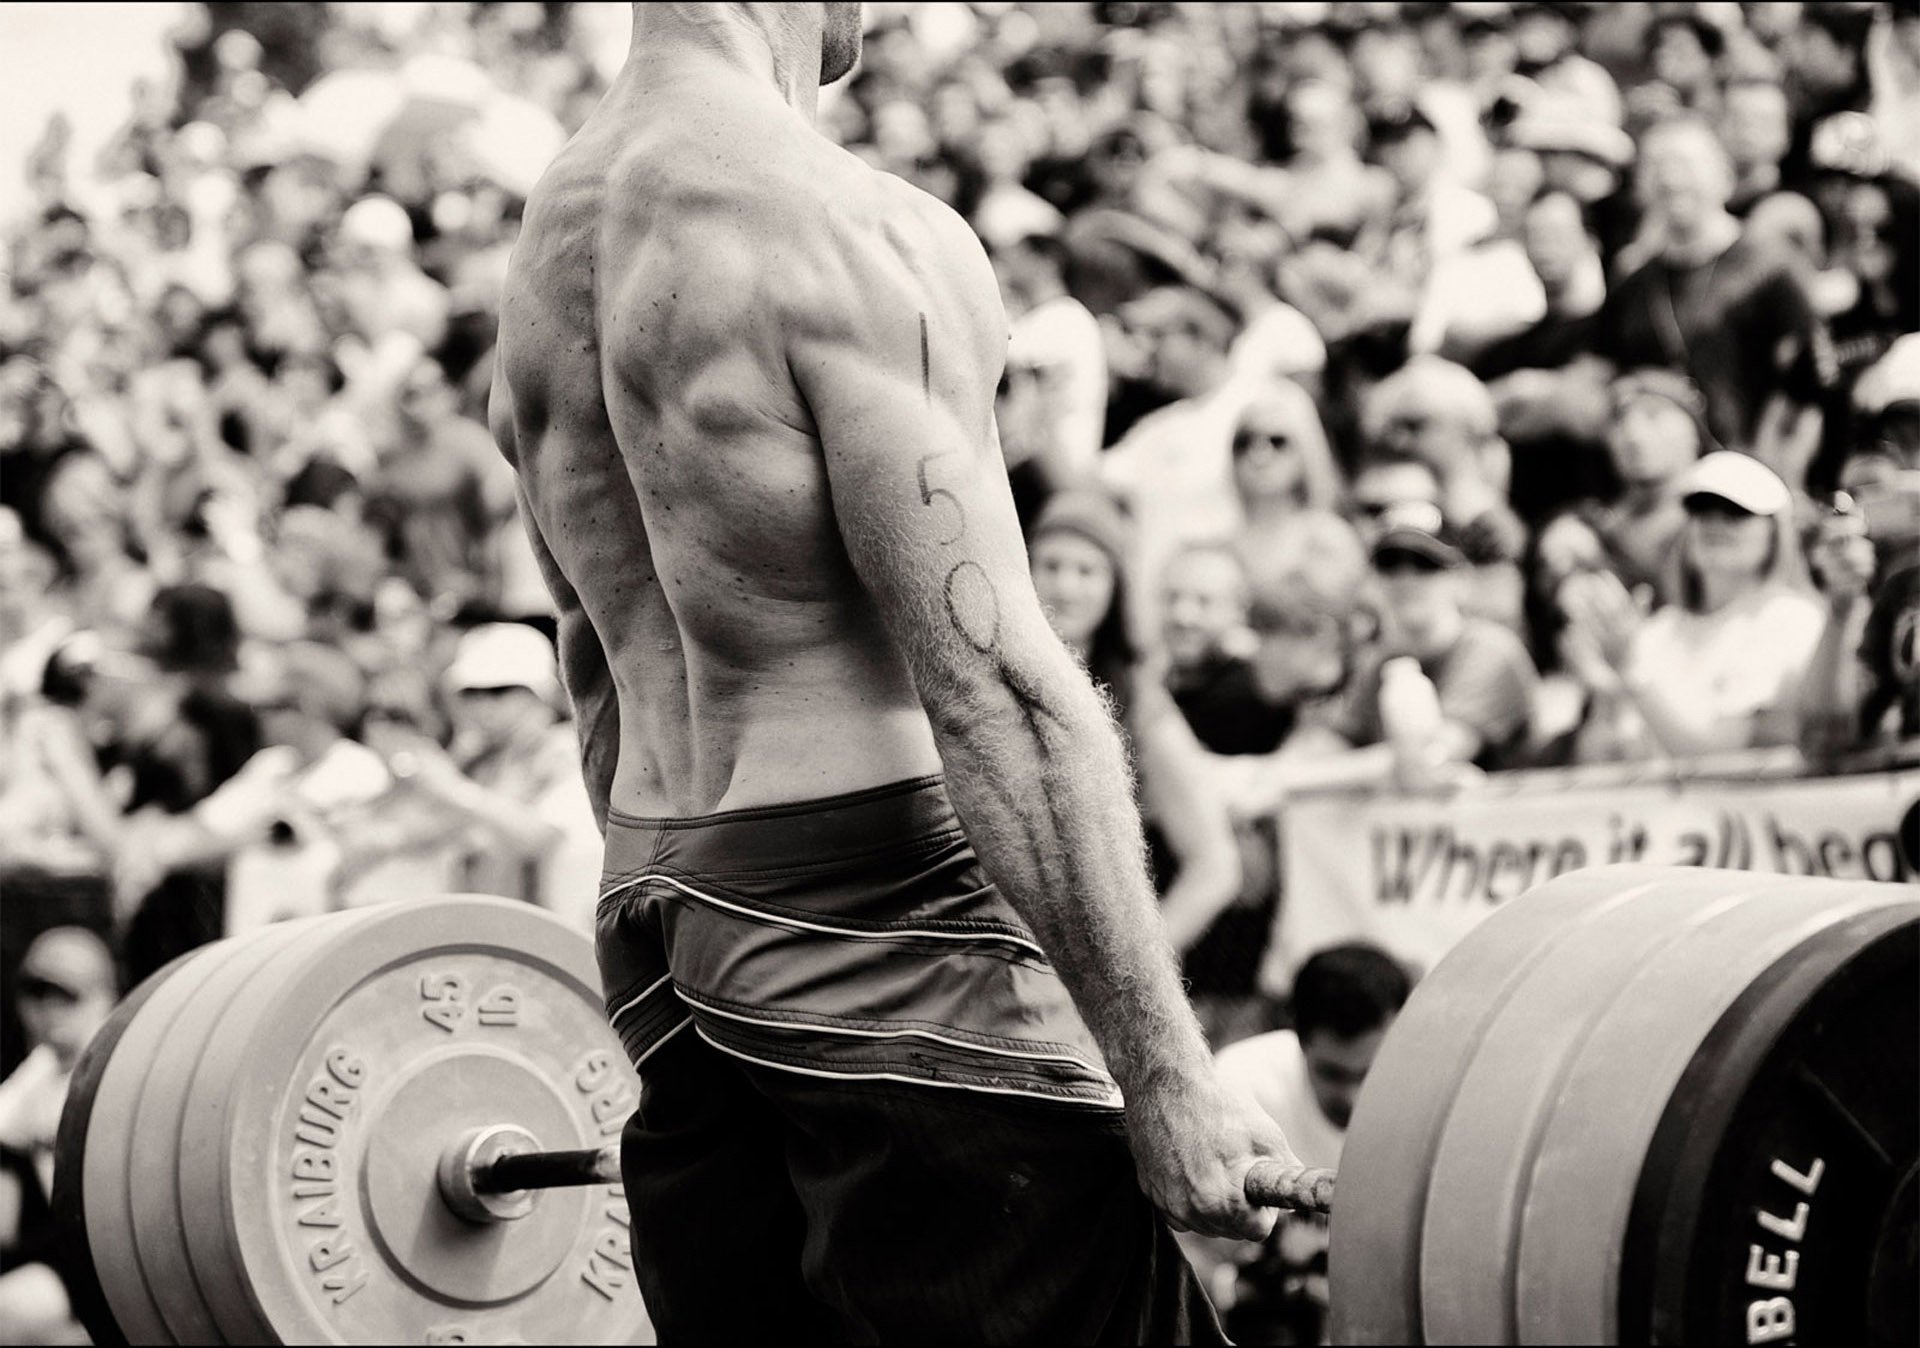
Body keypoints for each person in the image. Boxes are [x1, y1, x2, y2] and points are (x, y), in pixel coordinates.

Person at [488, 7, 1296, 1342]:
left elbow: (593, 669)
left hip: (659, 929)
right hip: (882, 936)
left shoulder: (544, 253)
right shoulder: (845, 228)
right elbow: (1004, 692)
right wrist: (1166, 1078)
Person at [1209, 943, 1414, 1347]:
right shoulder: (1240, 1088)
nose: (1352, 1097)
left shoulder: (1433, 1102)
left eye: (1369, 1072)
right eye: (1333, 1074)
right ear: (1298, 1036)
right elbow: (1195, 1256)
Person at [1561, 451, 1826, 762]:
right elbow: (1598, 760)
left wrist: (1631, 673)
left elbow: (1718, 753)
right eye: (1701, 509)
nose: (1715, 523)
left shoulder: (1790, 620)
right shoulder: (1656, 629)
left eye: (1736, 511)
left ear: (1775, 530)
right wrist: (1606, 694)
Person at [0, 928, 117, 1346]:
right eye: (37, 995)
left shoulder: (116, 1067)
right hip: (58, 1247)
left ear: (103, 999)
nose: (48, 1010)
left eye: (65, 996)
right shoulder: (40, 1070)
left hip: (110, 1255)